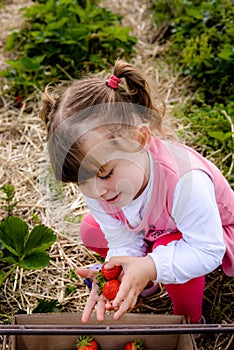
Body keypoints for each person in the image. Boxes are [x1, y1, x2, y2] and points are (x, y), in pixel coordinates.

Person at [40, 59, 234, 325]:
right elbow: (120, 239)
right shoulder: (98, 185)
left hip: (211, 234)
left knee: (167, 247)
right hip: (154, 229)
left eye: (105, 173)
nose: (95, 191)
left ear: (140, 140)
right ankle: (142, 277)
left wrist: (153, 264)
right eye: (80, 181)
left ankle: (189, 321)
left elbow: (207, 249)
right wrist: (117, 269)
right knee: (91, 230)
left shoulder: (186, 182)